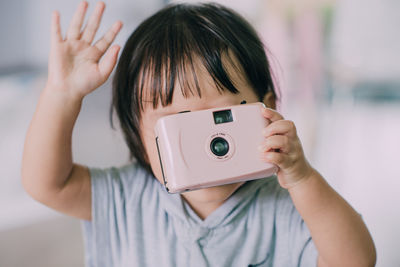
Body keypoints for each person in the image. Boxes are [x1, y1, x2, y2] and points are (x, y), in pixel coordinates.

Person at [21, 1, 376, 266]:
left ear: (268, 111)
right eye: (180, 123)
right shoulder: (126, 198)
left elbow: (355, 261)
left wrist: (302, 179)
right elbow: (47, 185)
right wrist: (61, 96)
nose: (208, 140)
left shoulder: (287, 205)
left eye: (222, 115)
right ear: (140, 139)